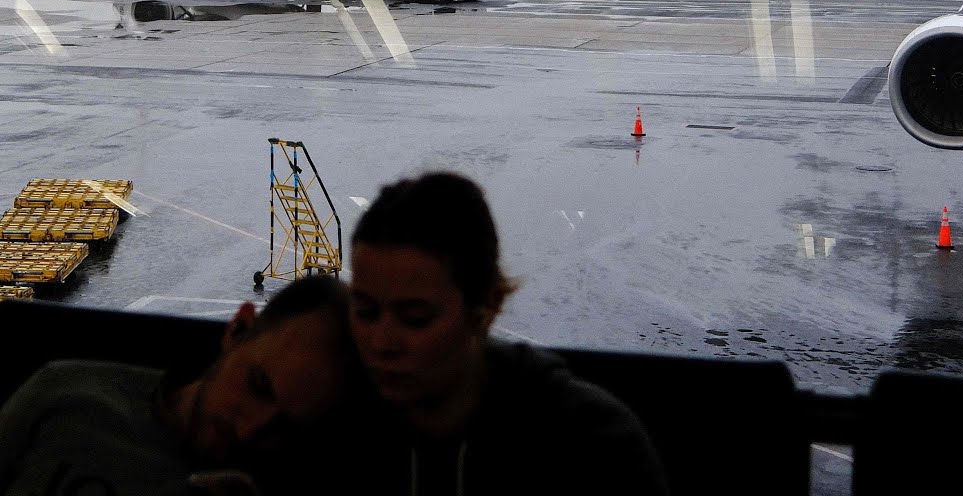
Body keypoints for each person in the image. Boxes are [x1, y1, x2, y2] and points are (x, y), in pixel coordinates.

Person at [345, 171, 668, 496]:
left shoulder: (595, 449)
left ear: (487, 305)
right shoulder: (337, 429)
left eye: (415, 319)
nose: (381, 342)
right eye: (365, 312)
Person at [0, 276, 360, 496]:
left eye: (286, 429)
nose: (249, 429)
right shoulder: (67, 390)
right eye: (258, 386)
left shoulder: (72, 391)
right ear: (237, 329)